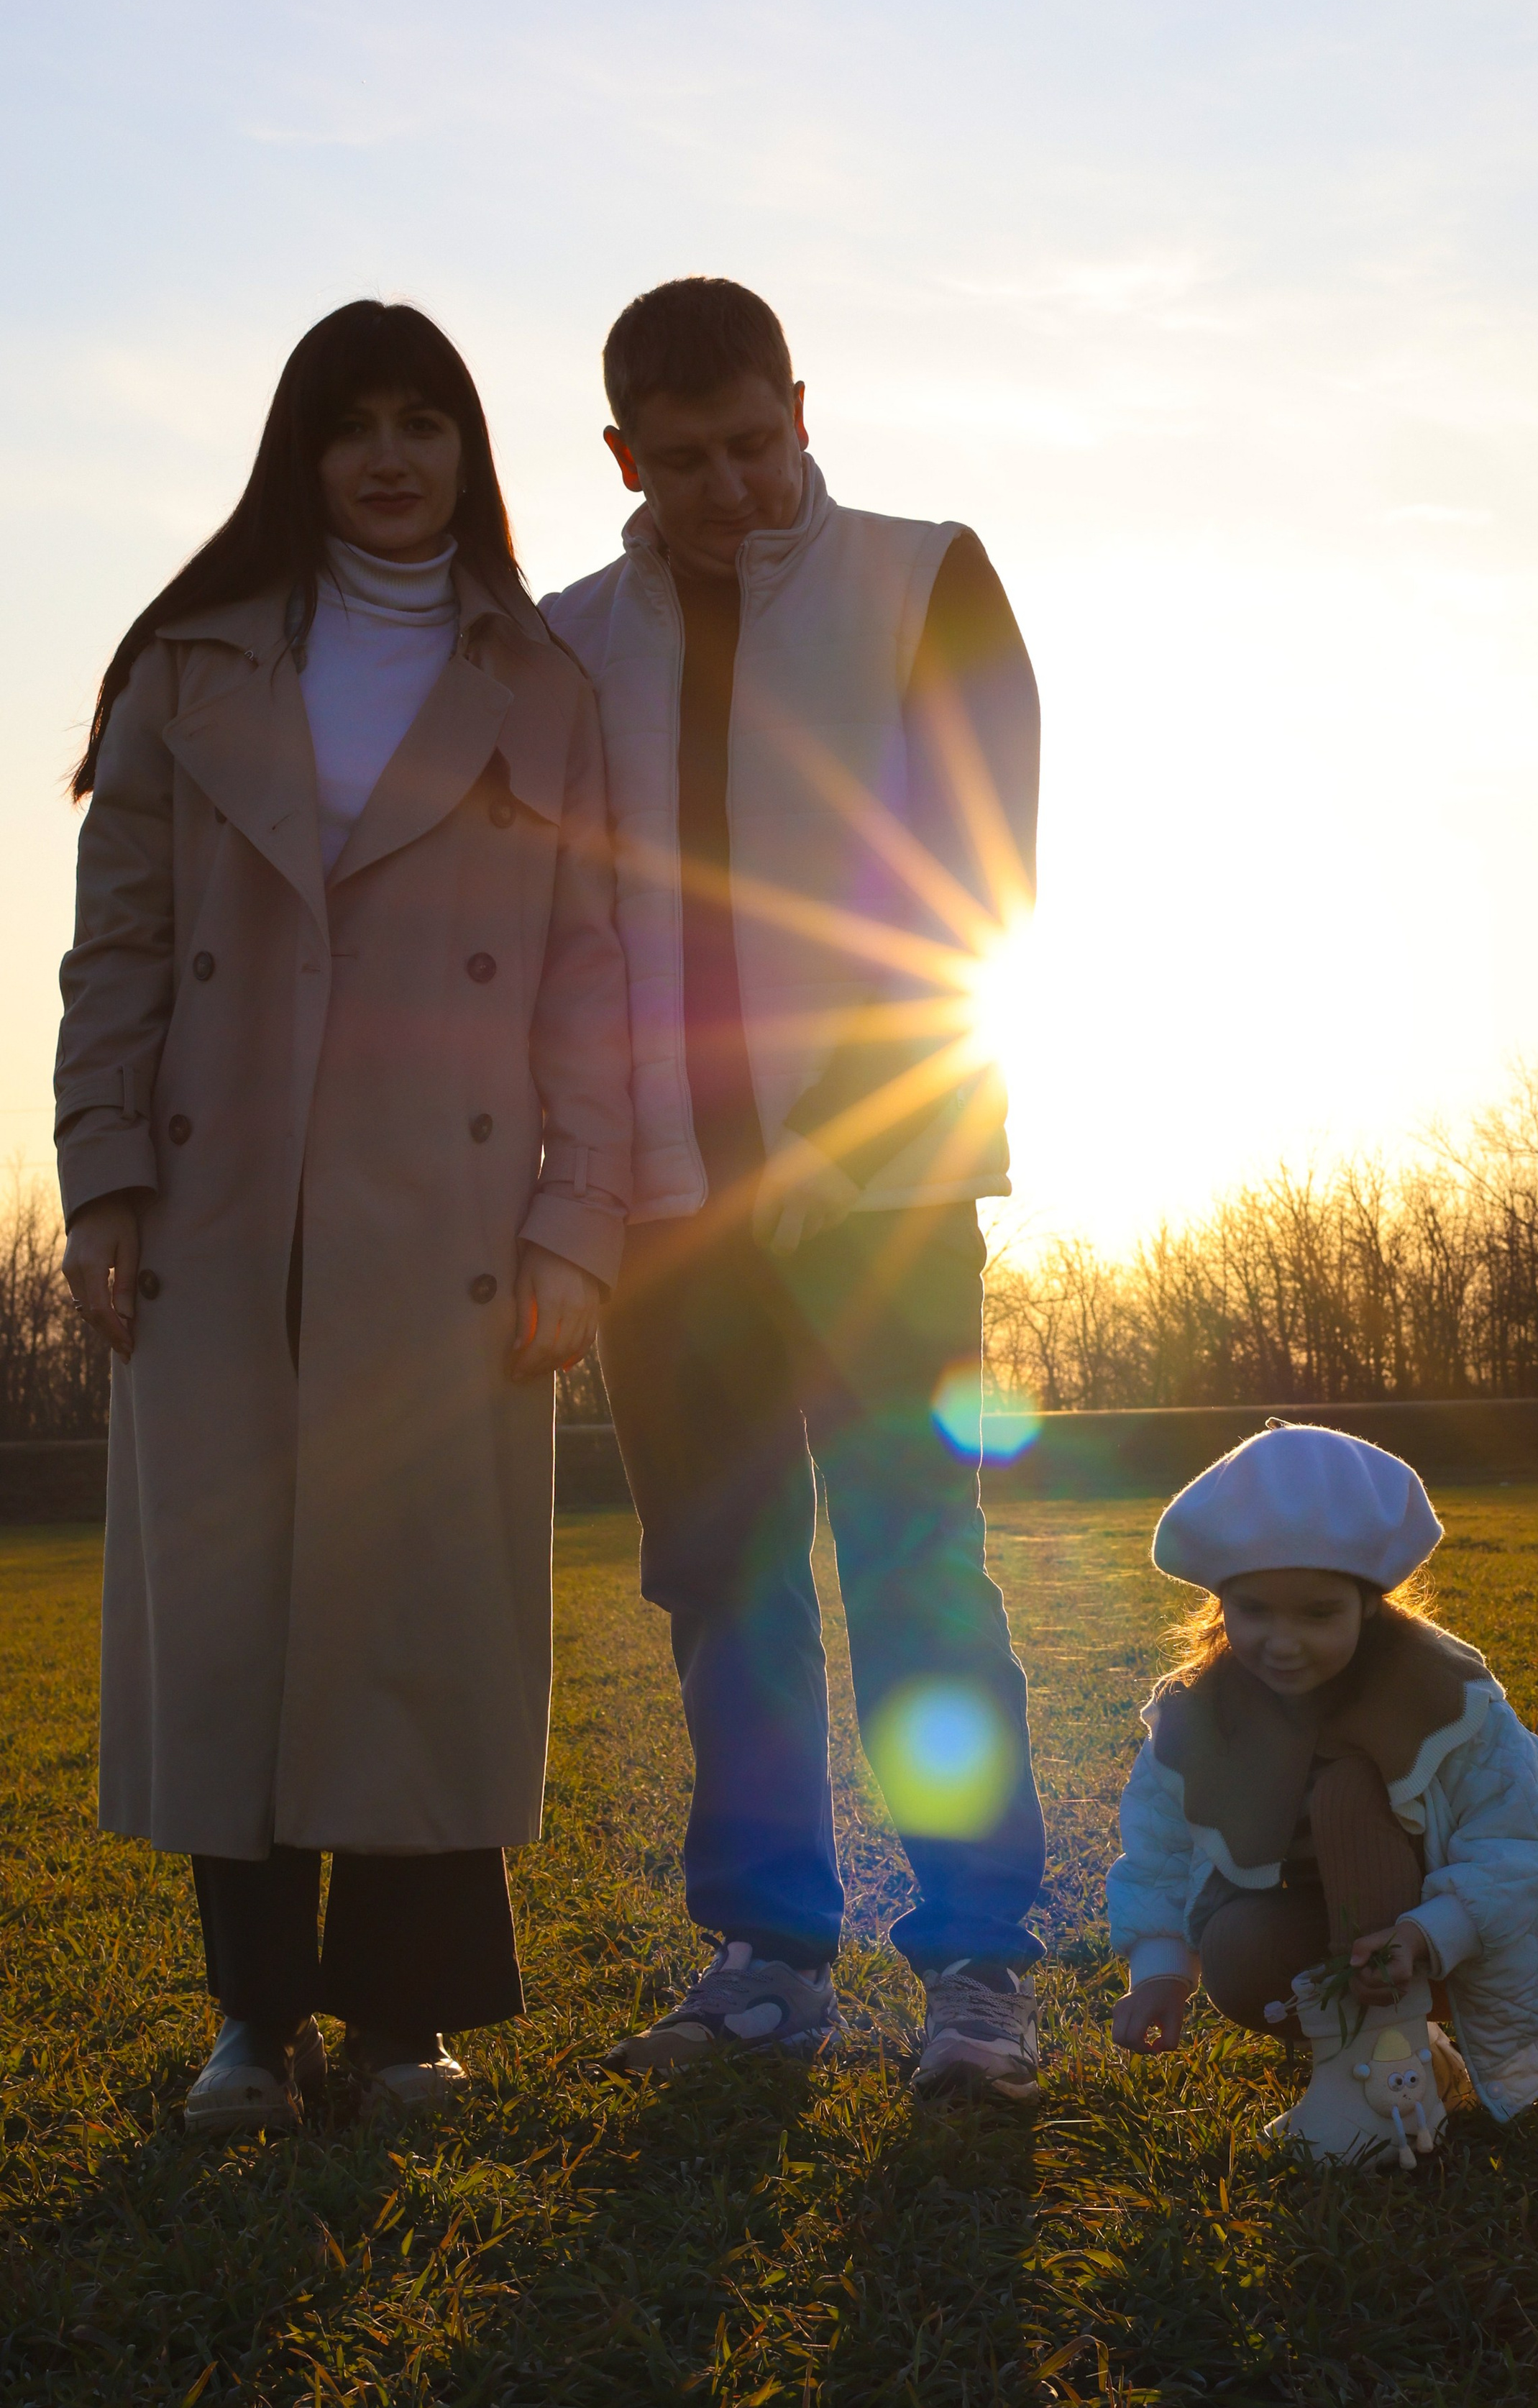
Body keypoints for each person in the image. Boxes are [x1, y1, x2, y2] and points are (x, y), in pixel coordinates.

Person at [56, 301, 631, 2135]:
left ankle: (404, 2025)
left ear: (469, 452)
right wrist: (103, 1180)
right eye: (350, 426)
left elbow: (595, 981)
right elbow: (118, 950)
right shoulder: (185, 663)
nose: (390, 459)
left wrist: (578, 1223)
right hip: (222, 1204)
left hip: (451, 1214)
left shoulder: (542, 685)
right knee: (234, 1617)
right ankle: (252, 2016)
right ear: (296, 454)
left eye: (425, 422)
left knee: (420, 1616)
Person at [543, 277, 1047, 2099]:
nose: (732, 484)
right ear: (620, 455)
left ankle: (979, 1967)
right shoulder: (561, 642)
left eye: (755, 440)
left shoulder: (927, 576)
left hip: (889, 1193)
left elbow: (983, 887)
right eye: (681, 459)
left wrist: (855, 1139)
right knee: (723, 1585)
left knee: (920, 1569)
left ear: (800, 405)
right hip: (663, 1208)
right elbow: (547, 937)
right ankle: (762, 1962)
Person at [1107, 1423, 1538, 2158]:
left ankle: (1383, 2080)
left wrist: (1427, 1932)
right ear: (1221, 1606)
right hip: (1324, 1935)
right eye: (1254, 1610)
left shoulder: (1444, 1698)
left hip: (1446, 1940)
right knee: (1237, 1947)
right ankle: (1406, 2062)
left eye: (1317, 1613)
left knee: (1349, 1789)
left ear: (1369, 1605)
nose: (1282, 1641)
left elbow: (1518, 1839)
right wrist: (1159, 1970)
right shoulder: (1202, 1713)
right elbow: (1157, 1850)